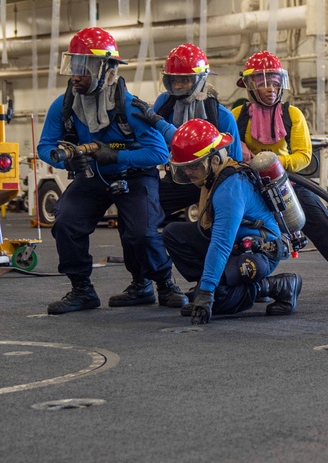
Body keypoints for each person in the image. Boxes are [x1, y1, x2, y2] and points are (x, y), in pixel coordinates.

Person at [38, 27, 187, 314]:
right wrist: (66, 161)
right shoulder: (64, 104)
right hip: (93, 175)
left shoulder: (131, 108)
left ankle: (161, 285)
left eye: (84, 67)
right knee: (67, 221)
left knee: (141, 233)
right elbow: (46, 146)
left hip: (135, 175)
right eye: (74, 66)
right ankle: (82, 290)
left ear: (105, 69)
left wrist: (116, 156)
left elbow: (157, 153)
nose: (75, 75)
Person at [230, 51, 328, 291]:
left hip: (287, 185)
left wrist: (269, 163)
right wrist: (238, 152)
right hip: (249, 189)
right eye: (263, 83)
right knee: (230, 226)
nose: (270, 88)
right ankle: (232, 277)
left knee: (320, 219)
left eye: (274, 82)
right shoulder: (236, 116)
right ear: (250, 86)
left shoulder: (292, 115)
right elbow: (227, 152)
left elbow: (304, 156)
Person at [162, 119, 301, 324]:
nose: (188, 172)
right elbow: (186, 146)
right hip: (236, 245)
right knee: (173, 233)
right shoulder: (211, 175)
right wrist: (155, 120)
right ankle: (221, 282)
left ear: (214, 160)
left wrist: (206, 294)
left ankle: (279, 286)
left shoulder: (229, 190)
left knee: (220, 301)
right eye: (185, 168)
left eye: (194, 166)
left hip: (259, 251)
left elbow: (221, 244)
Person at [131, 43, 242, 219]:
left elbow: (236, 164)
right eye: (174, 80)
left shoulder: (222, 116)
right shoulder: (164, 105)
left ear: (200, 79)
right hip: (177, 178)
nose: (179, 86)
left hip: (214, 183)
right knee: (143, 212)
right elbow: (150, 141)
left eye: (185, 80)